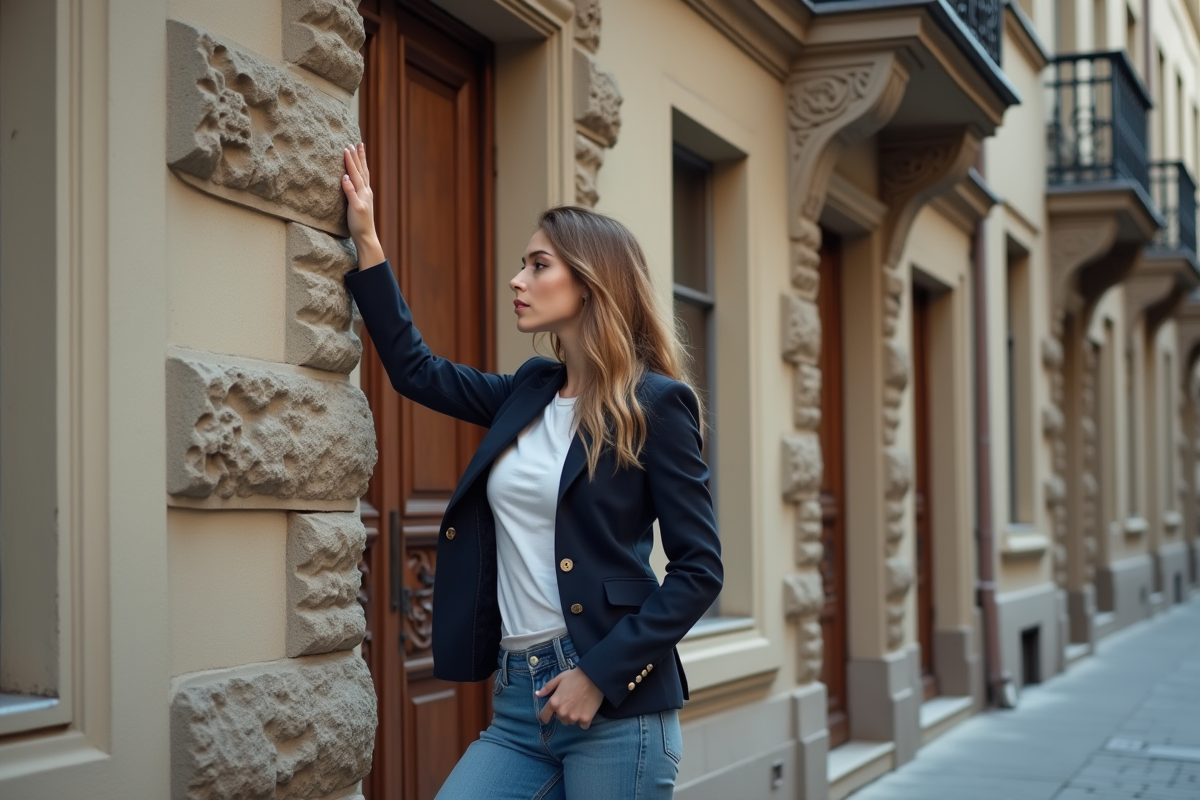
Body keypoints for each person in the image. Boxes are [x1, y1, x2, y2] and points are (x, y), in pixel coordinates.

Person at [340, 143, 723, 799]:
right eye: (523, 265)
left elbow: (699, 570)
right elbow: (416, 371)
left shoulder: (656, 405)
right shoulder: (531, 389)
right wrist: (367, 240)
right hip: (520, 699)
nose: (517, 280)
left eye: (538, 265)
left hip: (615, 704)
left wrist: (599, 675)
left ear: (590, 283)